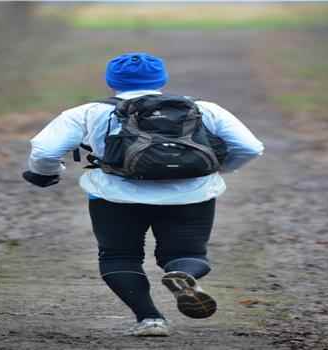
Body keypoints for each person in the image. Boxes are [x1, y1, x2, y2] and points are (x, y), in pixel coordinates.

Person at [23, 52, 264, 336]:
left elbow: (45, 150)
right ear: (161, 79)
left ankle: (149, 319)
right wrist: (219, 169)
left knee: (119, 257)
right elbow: (250, 147)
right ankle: (185, 275)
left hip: (114, 197)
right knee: (186, 252)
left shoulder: (88, 112)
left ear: (111, 81)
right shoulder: (203, 109)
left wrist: (47, 173)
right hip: (191, 195)